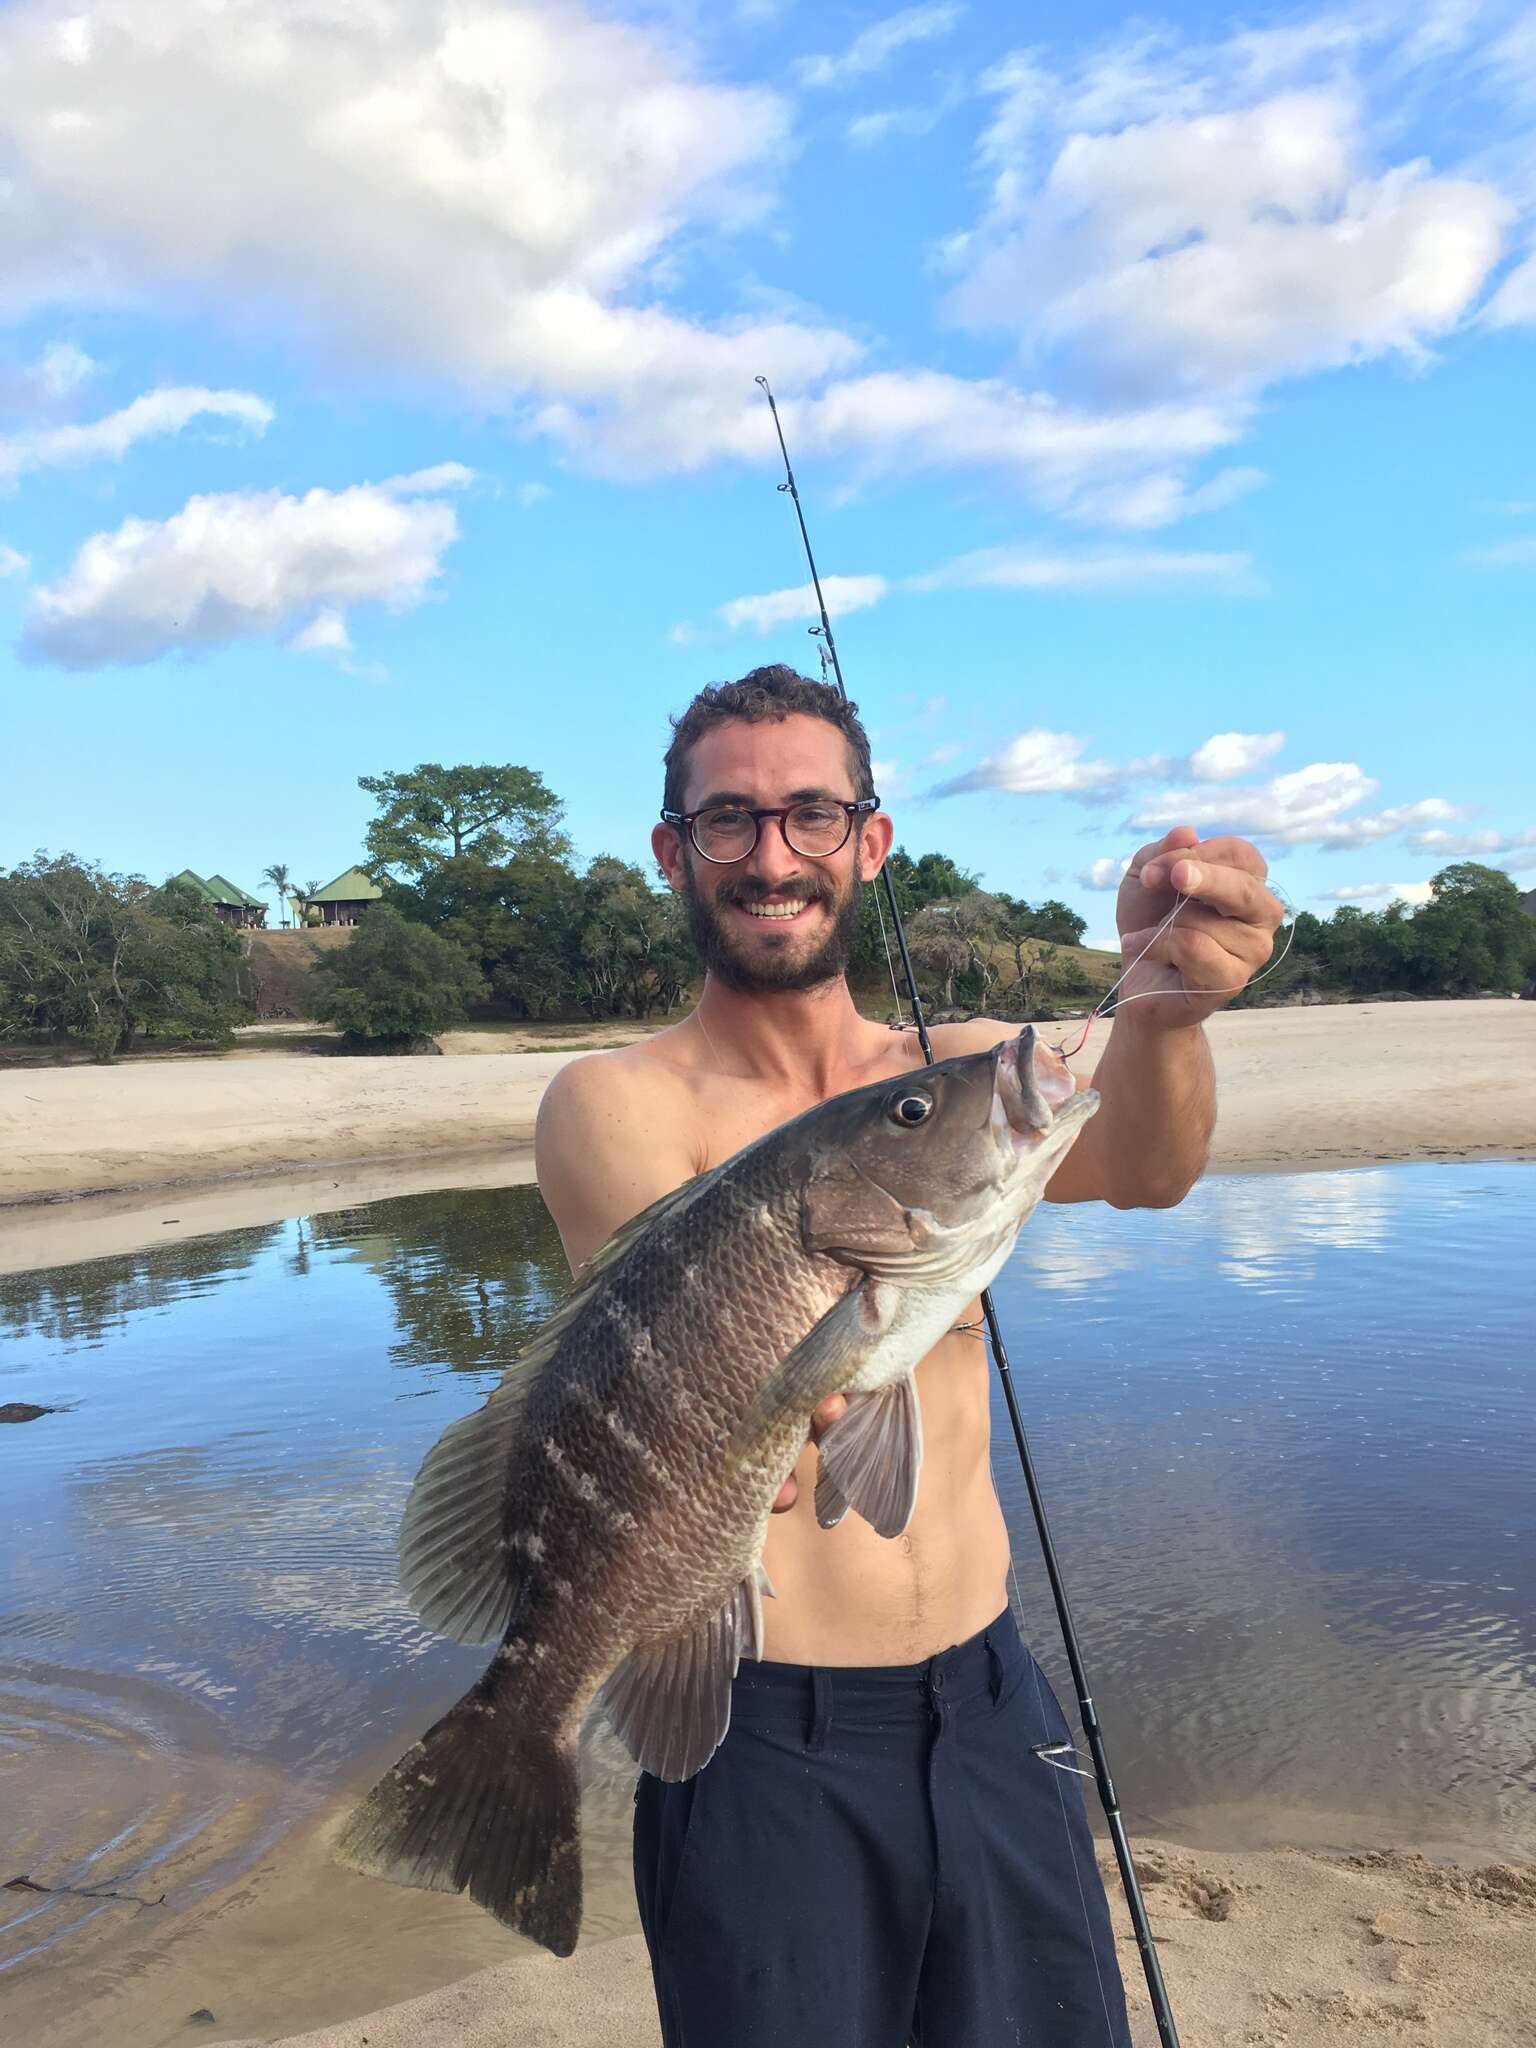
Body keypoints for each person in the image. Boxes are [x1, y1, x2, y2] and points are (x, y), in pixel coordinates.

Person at [535, 666, 1282, 2047]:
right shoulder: (612, 1100)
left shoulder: (958, 1074)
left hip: (993, 1701)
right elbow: (683, 1357)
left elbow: (1150, 1166)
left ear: (869, 845)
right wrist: (758, 1409)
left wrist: (1170, 1015)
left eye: (813, 816)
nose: (773, 858)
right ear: (672, 852)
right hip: (759, 1733)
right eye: (729, 822)